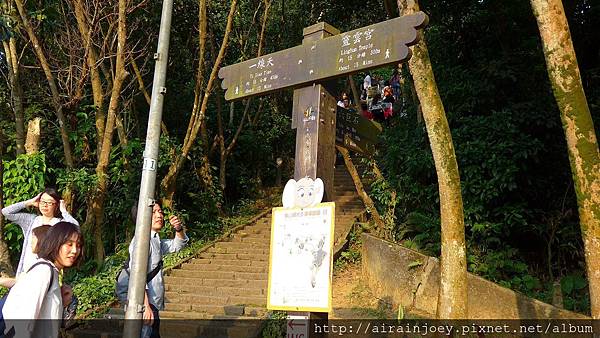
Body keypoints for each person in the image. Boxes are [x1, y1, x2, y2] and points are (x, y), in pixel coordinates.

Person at [2, 222, 83, 338]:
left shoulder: (52, 272)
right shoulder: (43, 271)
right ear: (55, 243)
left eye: (78, 245)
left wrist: (62, 302)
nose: (75, 250)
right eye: (69, 244)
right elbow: (24, 320)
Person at [126, 203, 188, 338]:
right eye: (153, 212)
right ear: (142, 217)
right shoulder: (142, 241)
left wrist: (179, 229)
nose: (159, 215)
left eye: (160, 211)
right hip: (147, 305)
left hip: (153, 304)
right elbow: (136, 277)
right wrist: (145, 306)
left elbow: (178, 245)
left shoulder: (154, 239)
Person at [1, 188, 79, 276]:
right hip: (27, 269)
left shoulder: (60, 224)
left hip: (49, 271)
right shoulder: (31, 220)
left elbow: (76, 227)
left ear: (56, 205)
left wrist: (64, 211)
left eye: (49, 202)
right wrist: (29, 202)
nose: (45, 205)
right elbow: (6, 212)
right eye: (42, 201)